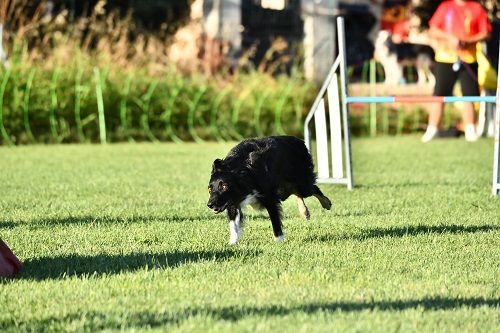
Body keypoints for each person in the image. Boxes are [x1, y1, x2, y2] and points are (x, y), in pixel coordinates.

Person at [421, 0, 491, 143]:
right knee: (439, 94)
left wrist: (467, 40)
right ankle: (432, 129)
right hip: (445, 58)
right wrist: (449, 38)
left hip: (468, 59)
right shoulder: (445, 7)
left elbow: (485, 33)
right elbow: (433, 30)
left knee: (470, 95)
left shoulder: (476, 8)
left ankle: (470, 130)